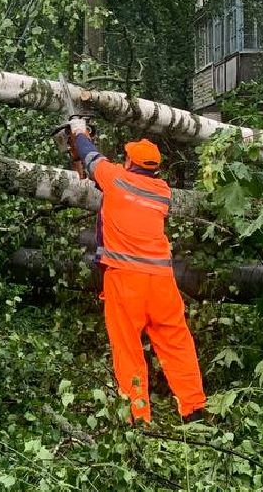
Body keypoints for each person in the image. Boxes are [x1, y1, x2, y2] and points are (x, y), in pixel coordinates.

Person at [60, 118, 209, 424]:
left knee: (127, 348)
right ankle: (193, 409)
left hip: (125, 280)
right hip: (161, 282)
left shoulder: (115, 178)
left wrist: (78, 131)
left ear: (129, 161)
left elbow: (90, 157)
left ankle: (137, 417)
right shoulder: (162, 192)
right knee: (177, 343)